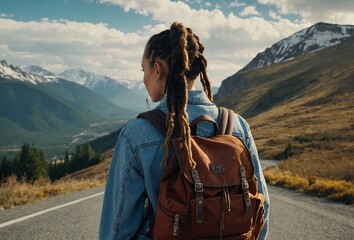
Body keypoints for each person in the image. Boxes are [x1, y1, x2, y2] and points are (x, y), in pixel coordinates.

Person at [99, 22, 269, 240]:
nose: (144, 78)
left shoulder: (137, 134)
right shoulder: (237, 126)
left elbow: (117, 228)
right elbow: (261, 209)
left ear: (157, 70)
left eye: (144, 70)